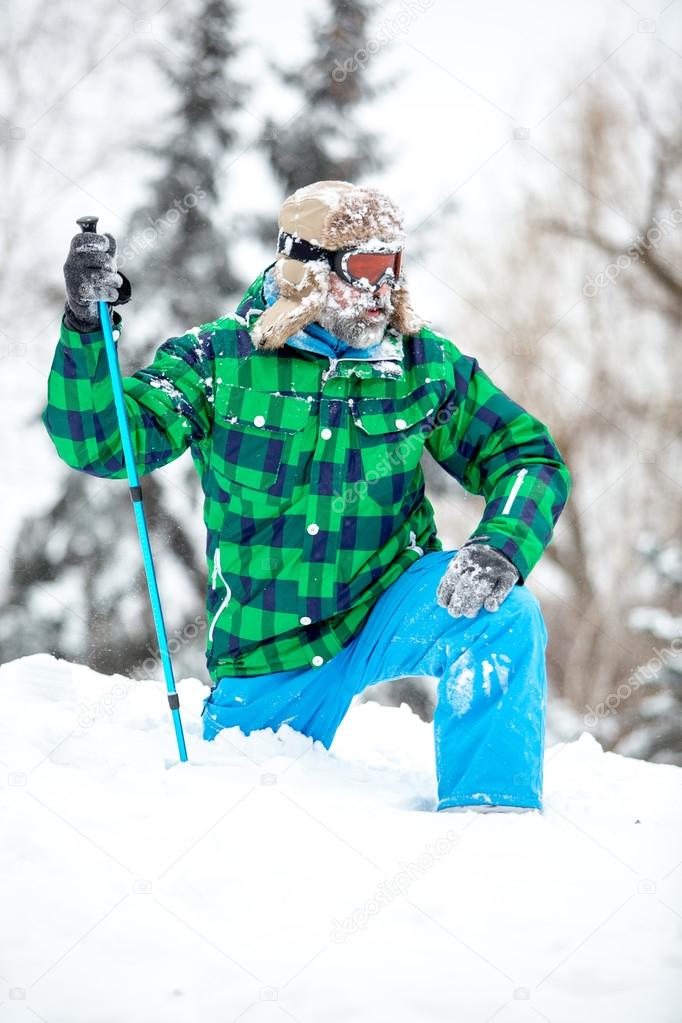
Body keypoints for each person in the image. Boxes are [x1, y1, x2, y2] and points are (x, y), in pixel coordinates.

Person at [43, 180, 572, 811]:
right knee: (255, 814)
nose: (385, 289)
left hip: (390, 597)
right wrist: (83, 326)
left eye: (394, 265)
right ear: (308, 270)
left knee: (504, 617)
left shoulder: (418, 362)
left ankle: (493, 816)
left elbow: (524, 454)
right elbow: (100, 442)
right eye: (367, 268)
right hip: (272, 641)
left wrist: (500, 547)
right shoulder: (218, 361)